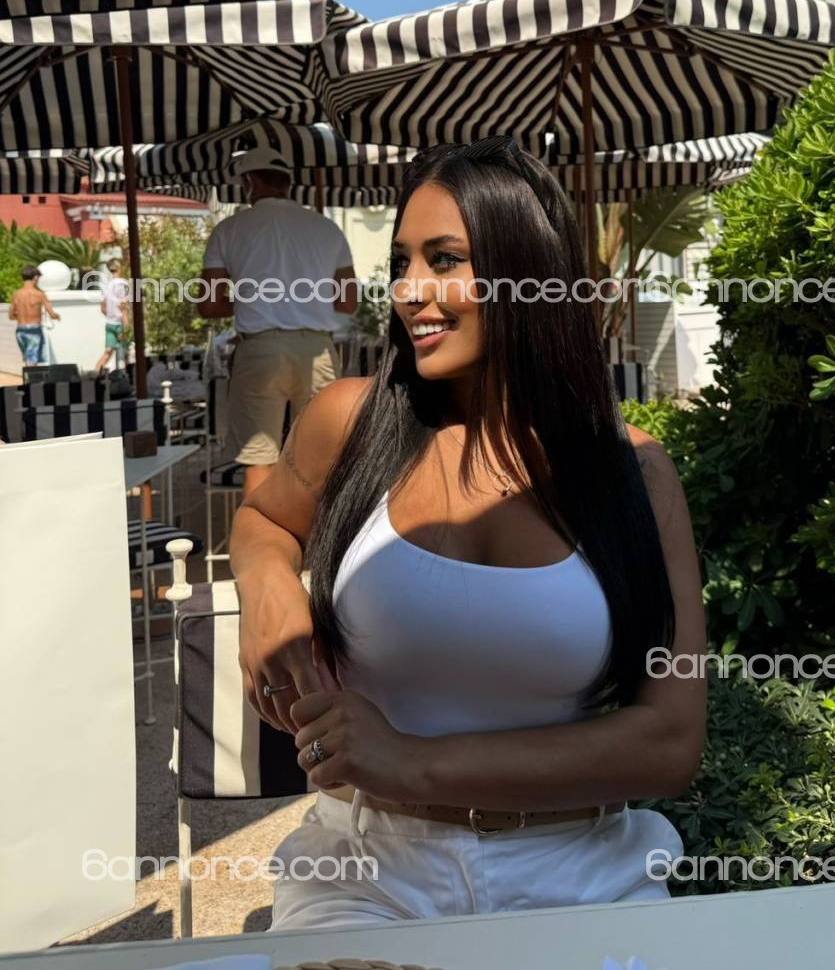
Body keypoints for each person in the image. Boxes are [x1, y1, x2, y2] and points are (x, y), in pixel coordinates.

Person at [231, 138, 706, 930]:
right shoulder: (349, 423)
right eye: (402, 261)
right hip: (367, 872)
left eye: (445, 259)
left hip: (584, 872)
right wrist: (266, 585)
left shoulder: (635, 476)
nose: (409, 291)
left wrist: (414, 761)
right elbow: (262, 518)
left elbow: (669, 741)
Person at [200, 149, 358, 498]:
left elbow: (209, 305)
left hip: (261, 351)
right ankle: (321, 533)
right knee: (320, 459)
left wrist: (251, 299)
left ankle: (260, 532)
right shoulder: (326, 228)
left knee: (260, 461)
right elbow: (348, 301)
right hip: (318, 349)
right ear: (288, 183)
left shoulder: (229, 229)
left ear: (248, 182)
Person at [8, 265, 60, 367]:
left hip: (20, 331)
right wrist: (57, 316)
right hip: (34, 331)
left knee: (29, 358)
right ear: (35, 277)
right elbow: (52, 314)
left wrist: (23, 315)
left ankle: (29, 376)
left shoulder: (16, 295)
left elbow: (11, 316)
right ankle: (30, 377)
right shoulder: (39, 295)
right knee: (32, 360)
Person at [94, 256, 130, 374]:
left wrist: (111, 315)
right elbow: (123, 306)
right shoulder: (123, 284)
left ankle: (96, 375)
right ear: (120, 268)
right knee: (126, 354)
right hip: (120, 324)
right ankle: (127, 378)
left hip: (109, 323)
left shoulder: (106, 285)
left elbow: (103, 308)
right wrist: (126, 326)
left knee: (108, 352)